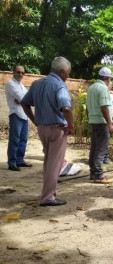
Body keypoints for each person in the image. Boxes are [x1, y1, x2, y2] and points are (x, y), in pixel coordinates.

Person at [21, 57, 74, 206]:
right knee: (54, 164)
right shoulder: (59, 86)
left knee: (48, 161)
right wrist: (71, 126)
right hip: (57, 129)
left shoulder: (37, 84)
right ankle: (48, 197)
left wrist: (35, 120)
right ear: (62, 72)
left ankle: (47, 193)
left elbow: (24, 103)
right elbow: (67, 108)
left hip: (42, 128)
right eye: (68, 73)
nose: (68, 76)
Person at [86, 67, 113, 184]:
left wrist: (89, 119)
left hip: (93, 121)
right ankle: (98, 174)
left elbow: (87, 107)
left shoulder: (91, 88)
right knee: (100, 149)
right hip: (101, 122)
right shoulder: (103, 88)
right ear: (107, 78)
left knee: (94, 147)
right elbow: (104, 107)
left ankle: (93, 172)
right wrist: (109, 124)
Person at [5, 65, 32, 171]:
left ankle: (20, 160)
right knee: (14, 139)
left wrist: (23, 101)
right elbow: (23, 99)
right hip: (16, 114)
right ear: (13, 72)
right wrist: (23, 101)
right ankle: (12, 162)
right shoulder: (10, 84)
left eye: (22, 73)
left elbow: (27, 99)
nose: (20, 74)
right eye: (18, 72)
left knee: (23, 139)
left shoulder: (21, 86)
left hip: (25, 115)